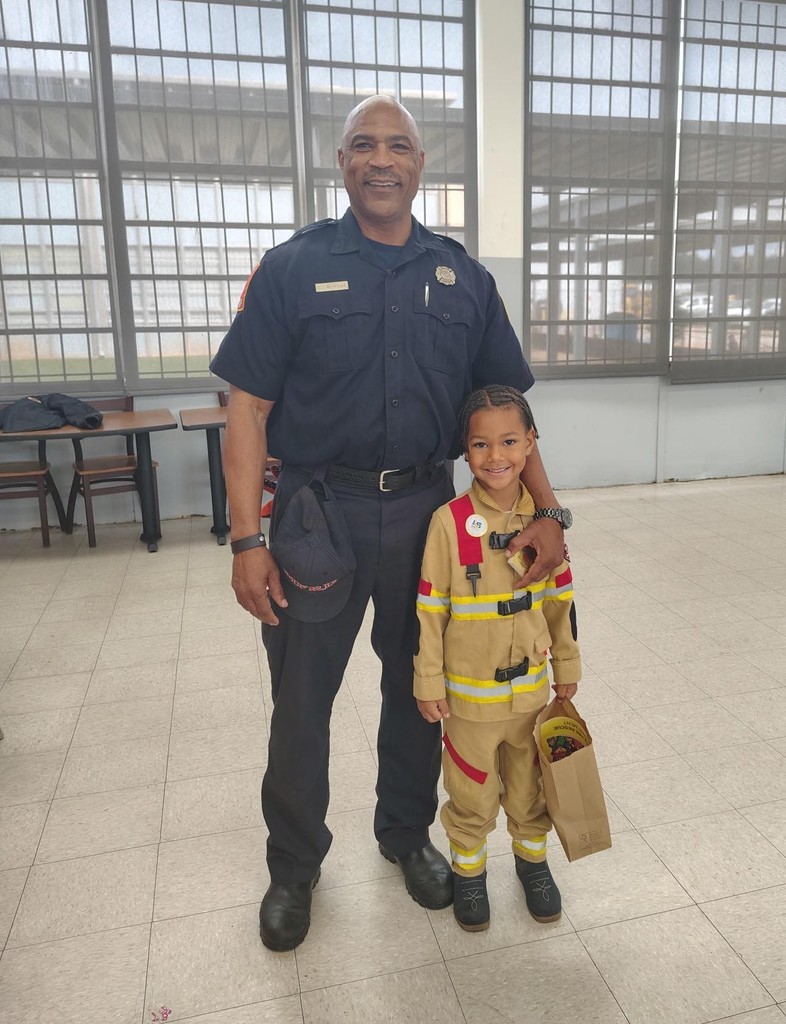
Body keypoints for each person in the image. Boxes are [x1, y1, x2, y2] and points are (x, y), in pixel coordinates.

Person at [209, 95, 572, 952]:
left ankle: (405, 835)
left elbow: (507, 412)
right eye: (363, 145)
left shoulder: (462, 277)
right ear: (341, 163)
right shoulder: (293, 269)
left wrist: (547, 511)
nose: (381, 158)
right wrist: (245, 541)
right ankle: (294, 865)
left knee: (423, 691)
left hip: (430, 519)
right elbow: (246, 409)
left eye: (398, 145)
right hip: (314, 518)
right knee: (301, 702)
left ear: (419, 166)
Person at [414, 385, 581, 931]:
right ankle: (469, 872)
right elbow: (430, 610)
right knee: (470, 793)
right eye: (481, 445)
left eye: (510, 441)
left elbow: (560, 603)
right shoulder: (449, 522)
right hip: (468, 705)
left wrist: (567, 668)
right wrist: (428, 680)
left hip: (531, 697)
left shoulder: (545, 527)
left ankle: (533, 865)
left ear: (531, 443)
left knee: (530, 789)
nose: (496, 457)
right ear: (465, 450)